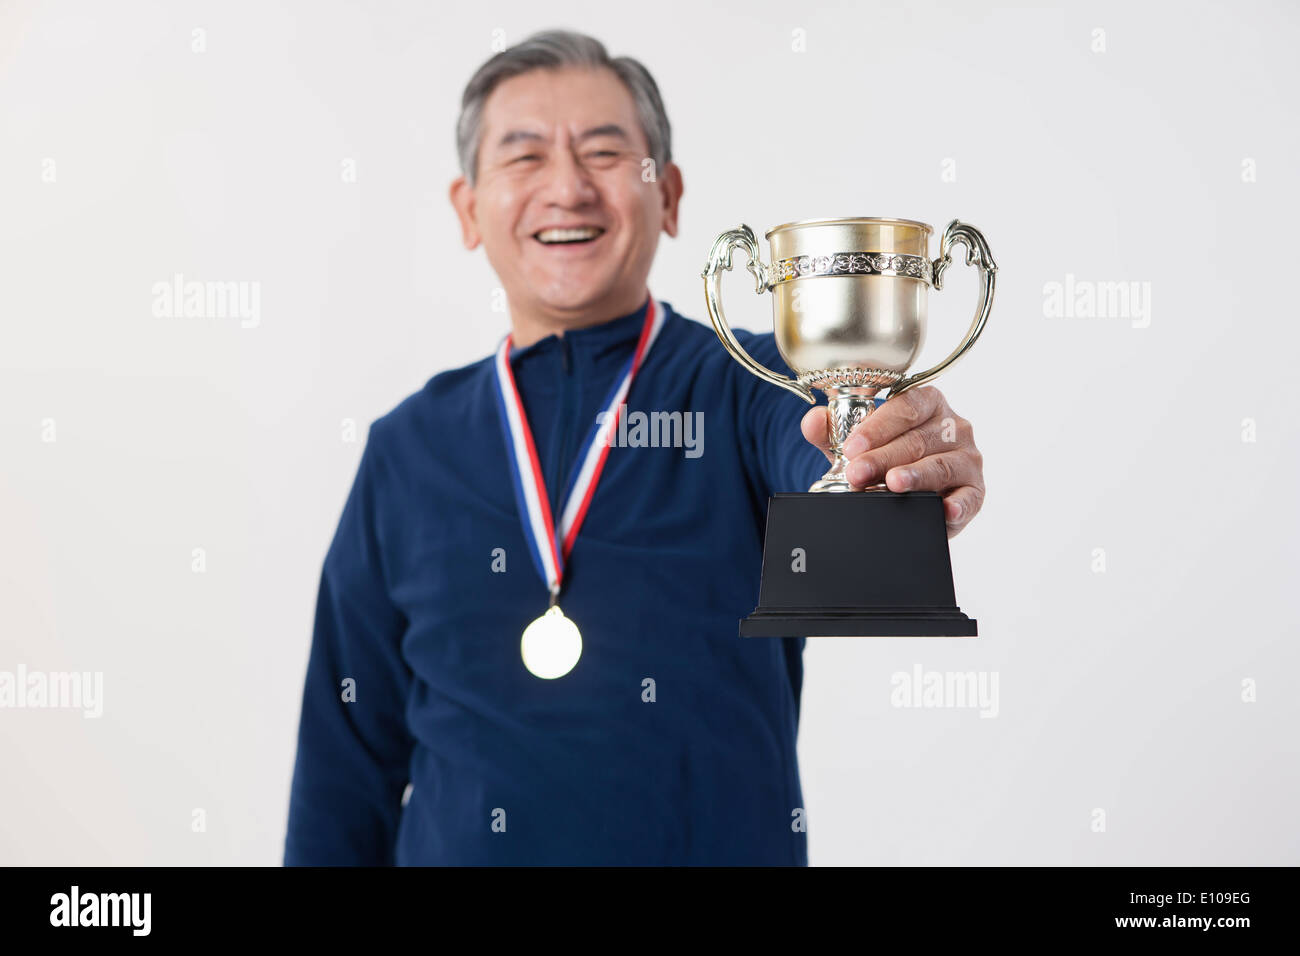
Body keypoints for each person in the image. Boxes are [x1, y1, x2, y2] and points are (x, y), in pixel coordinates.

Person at [283, 29, 985, 866]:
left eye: (606, 152)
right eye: (525, 156)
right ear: (469, 211)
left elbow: (825, 452)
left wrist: (885, 451)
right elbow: (341, 771)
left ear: (672, 197)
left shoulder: (752, 383)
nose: (568, 188)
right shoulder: (408, 447)